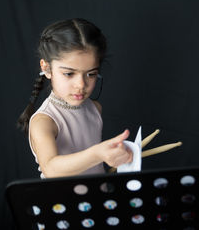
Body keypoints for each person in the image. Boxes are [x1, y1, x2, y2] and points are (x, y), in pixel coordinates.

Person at [17, 18, 133, 178]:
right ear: (46, 68)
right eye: (69, 73)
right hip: (61, 201)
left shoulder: (95, 108)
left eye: (91, 74)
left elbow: (93, 165)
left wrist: (116, 154)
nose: (81, 84)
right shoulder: (44, 120)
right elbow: (50, 168)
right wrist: (98, 154)